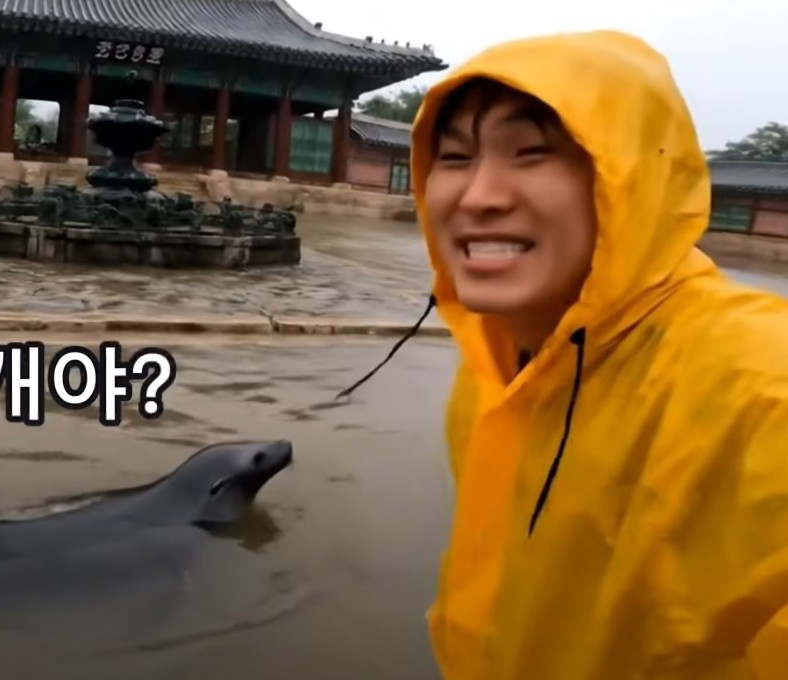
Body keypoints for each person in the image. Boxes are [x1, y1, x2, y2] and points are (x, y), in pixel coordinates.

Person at [337, 29, 788, 680]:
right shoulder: (497, 363)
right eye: (455, 158)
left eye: (530, 153)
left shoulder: (758, 385)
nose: (478, 195)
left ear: (634, 178)